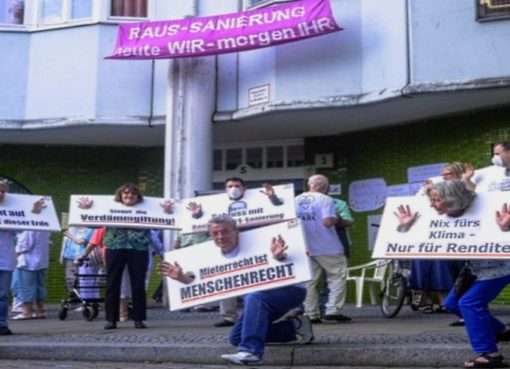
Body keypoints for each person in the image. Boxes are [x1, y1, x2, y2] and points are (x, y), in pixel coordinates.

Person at [160, 215, 313, 365]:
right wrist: (182, 278)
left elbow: (286, 260)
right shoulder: (211, 257)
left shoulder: (257, 243)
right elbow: (204, 278)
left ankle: (250, 351)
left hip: (290, 290)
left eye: (225, 231)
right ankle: (295, 327)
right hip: (260, 299)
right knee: (236, 337)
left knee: (253, 297)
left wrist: (280, 257)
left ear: (236, 232)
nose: (220, 236)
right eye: (215, 233)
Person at [397, 180, 510, 368]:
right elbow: (405, 239)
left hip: (500, 267)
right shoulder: (436, 217)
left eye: (437, 200)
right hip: (475, 268)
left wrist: (505, 229)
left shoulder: (488, 211)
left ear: (453, 199)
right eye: (431, 200)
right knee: (452, 303)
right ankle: (501, 331)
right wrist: (406, 228)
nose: (432, 205)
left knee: (470, 302)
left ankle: (490, 354)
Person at [188, 177, 283, 327]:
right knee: (225, 279)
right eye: (230, 186)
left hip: (252, 245)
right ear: (225, 190)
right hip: (228, 246)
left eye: (237, 185)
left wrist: (273, 198)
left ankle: (256, 313)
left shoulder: (259, 200)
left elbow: (278, 210)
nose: (234, 188)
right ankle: (228, 316)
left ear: (244, 188)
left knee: (255, 280)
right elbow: (204, 222)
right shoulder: (216, 204)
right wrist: (197, 215)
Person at [88, 183, 167, 330]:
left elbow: (163, 219)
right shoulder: (110, 209)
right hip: (114, 247)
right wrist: (87, 208)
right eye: (125, 194)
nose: (129, 196)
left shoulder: (146, 210)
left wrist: (166, 210)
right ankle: (111, 319)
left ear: (138, 197)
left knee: (138, 284)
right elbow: (92, 224)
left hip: (138, 248)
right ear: (120, 196)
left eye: (132, 194)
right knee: (112, 283)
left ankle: (138, 318)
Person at [296, 174, 350, 323]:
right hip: (328, 247)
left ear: (310, 185)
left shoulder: (296, 200)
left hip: (306, 247)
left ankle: (310, 313)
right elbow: (327, 222)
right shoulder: (325, 199)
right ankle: (333, 309)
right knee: (337, 277)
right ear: (324, 187)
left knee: (309, 282)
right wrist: (337, 218)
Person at [11, 230, 51, 320]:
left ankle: (26, 313)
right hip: (42, 261)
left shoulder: (28, 227)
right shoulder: (45, 226)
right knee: (40, 286)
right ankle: (40, 312)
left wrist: (14, 253)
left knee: (26, 287)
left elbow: (25, 244)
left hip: (28, 261)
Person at [0, 181, 16, 335]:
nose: (1, 194)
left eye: (3, 191)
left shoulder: (13, 210)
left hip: (5, 258)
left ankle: (2, 324)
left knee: (3, 294)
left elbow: (23, 226)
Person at [61, 226, 94, 298]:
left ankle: (81, 300)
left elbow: (81, 241)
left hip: (80, 258)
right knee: (69, 279)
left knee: (79, 281)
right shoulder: (72, 228)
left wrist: (69, 235)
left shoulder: (90, 229)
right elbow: (65, 244)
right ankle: (74, 300)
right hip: (68, 257)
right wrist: (61, 257)